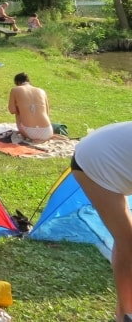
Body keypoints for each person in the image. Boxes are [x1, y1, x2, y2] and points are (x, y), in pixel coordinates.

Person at [69, 121, 132, 322]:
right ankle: (125, 314)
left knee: (126, 241)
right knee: (128, 242)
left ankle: (124, 314)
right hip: (95, 163)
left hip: (110, 155)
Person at [7, 72, 52, 143]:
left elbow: (12, 110)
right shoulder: (41, 91)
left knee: (18, 112)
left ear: (17, 82)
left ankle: (25, 130)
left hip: (30, 132)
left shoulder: (15, 90)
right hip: (47, 132)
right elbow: (47, 112)